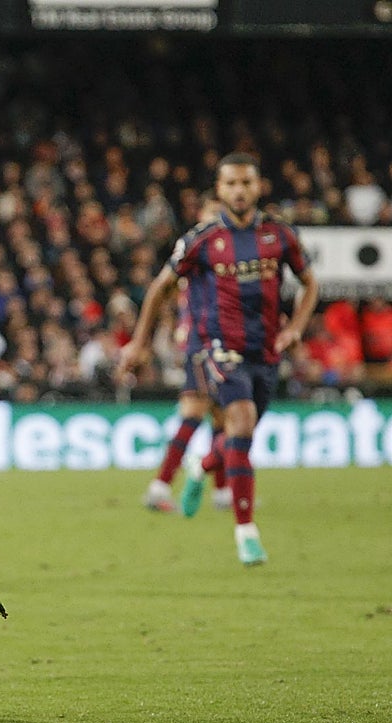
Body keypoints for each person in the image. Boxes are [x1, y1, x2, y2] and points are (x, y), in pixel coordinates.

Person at [119, 153, 319, 565]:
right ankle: (246, 533)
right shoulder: (202, 240)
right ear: (219, 189)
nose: (239, 191)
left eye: (246, 182)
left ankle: (201, 466)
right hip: (219, 349)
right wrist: (139, 343)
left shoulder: (280, 235)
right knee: (238, 423)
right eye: (231, 184)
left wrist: (296, 327)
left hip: (266, 351)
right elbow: (159, 288)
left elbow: (310, 284)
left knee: (239, 436)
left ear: (259, 186)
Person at [143, 198, 230, 515]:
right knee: (195, 413)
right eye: (212, 212)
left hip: (218, 343)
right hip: (203, 344)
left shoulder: (223, 253)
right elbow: (169, 287)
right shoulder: (197, 249)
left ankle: (222, 492)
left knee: (221, 417)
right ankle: (160, 486)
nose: (217, 218)